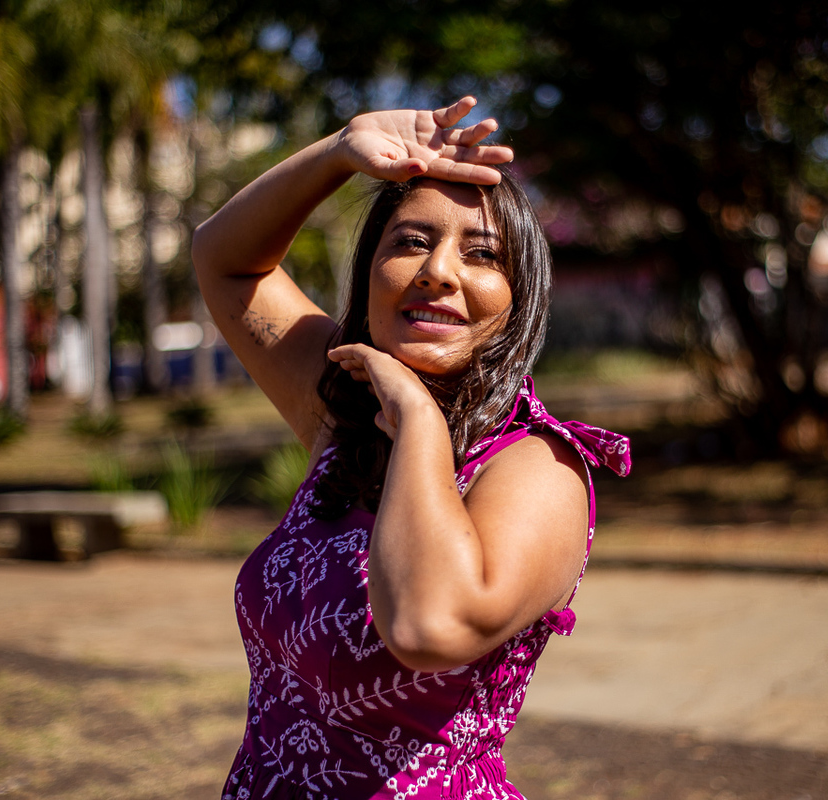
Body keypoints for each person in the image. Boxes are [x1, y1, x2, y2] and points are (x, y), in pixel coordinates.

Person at [193, 96, 631, 800]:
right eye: (409, 242)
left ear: (519, 301)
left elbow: (431, 627)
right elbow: (225, 261)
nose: (438, 271)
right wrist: (339, 150)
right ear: (369, 274)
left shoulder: (540, 466)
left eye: (482, 254)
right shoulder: (344, 414)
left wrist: (419, 420)